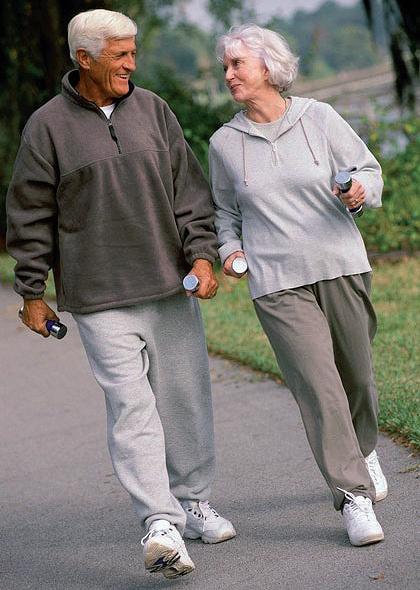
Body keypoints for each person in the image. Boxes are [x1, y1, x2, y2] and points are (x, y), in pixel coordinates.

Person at [6, 8, 235, 580]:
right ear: (84, 59)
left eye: (134, 52)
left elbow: (189, 191)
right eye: (121, 54)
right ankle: (160, 523)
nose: (132, 64)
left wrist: (202, 255)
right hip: (98, 296)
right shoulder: (47, 127)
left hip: (169, 285)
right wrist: (31, 291)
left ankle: (193, 501)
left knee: (184, 398)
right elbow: (30, 214)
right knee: (131, 408)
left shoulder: (153, 109)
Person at [209, 24, 388, 547]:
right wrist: (230, 250)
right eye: (225, 67)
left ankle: (364, 449)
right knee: (319, 387)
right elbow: (224, 213)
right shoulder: (224, 143)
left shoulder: (319, 117)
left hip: (340, 264)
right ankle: (352, 497)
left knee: (357, 378)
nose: (229, 75)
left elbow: (369, 171)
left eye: (237, 64)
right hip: (277, 282)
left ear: (268, 67)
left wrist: (359, 190)